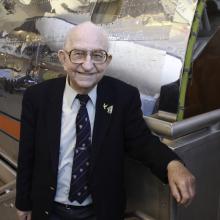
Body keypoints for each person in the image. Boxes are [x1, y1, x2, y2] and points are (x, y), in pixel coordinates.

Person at [16, 22, 195, 220]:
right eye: (78, 54)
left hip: (100, 211)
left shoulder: (123, 97)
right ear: (63, 58)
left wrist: (172, 164)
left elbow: (142, 142)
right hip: (50, 209)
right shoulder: (38, 97)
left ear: (107, 61)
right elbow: (27, 154)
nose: (87, 64)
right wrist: (23, 203)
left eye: (97, 55)